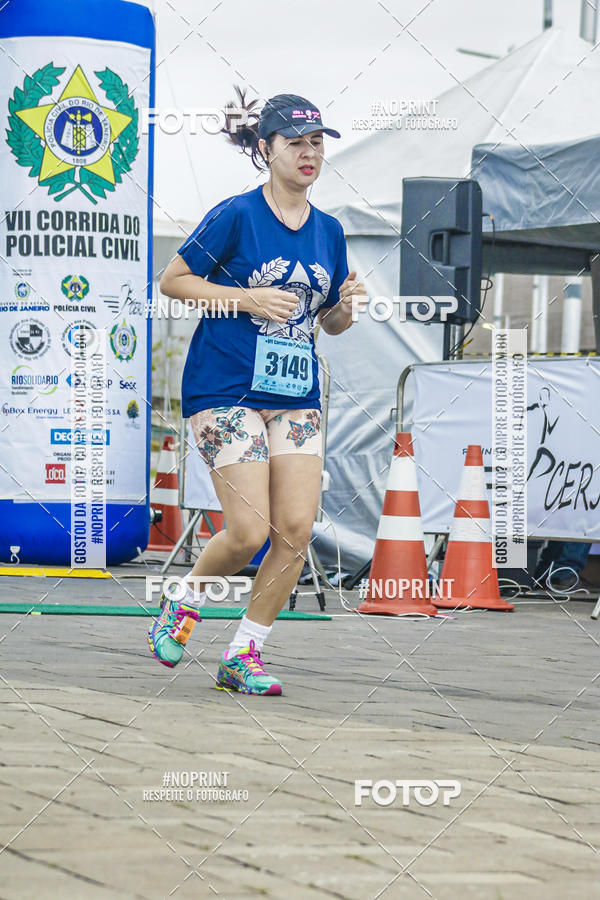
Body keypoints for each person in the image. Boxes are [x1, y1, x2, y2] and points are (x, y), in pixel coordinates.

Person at [148, 89, 367, 695]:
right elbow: (173, 281)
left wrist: (346, 307)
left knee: (296, 529)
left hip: (295, 394)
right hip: (226, 388)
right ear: (266, 149)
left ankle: (244, 654)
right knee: (247, 532)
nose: (309, 154)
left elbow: (327, 321)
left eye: (317, 143)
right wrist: (245, 298)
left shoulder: (328, 231)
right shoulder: (236, 215)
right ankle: (183, 598)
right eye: (295, 142)